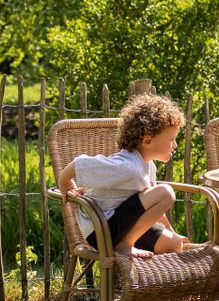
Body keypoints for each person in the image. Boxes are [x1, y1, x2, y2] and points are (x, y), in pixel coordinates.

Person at [58, 94, 189, 260]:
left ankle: (131, 263)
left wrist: (171, 231)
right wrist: (66, 184)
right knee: (166, 193)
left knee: (175, 244)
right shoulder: (125, 167)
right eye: (171, 139)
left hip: (125, 225)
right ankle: (125, 246)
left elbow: (153, 207)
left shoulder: (148, 165)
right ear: (148, 141)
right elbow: (79, 163)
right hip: (102, 229)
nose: (175, 145)